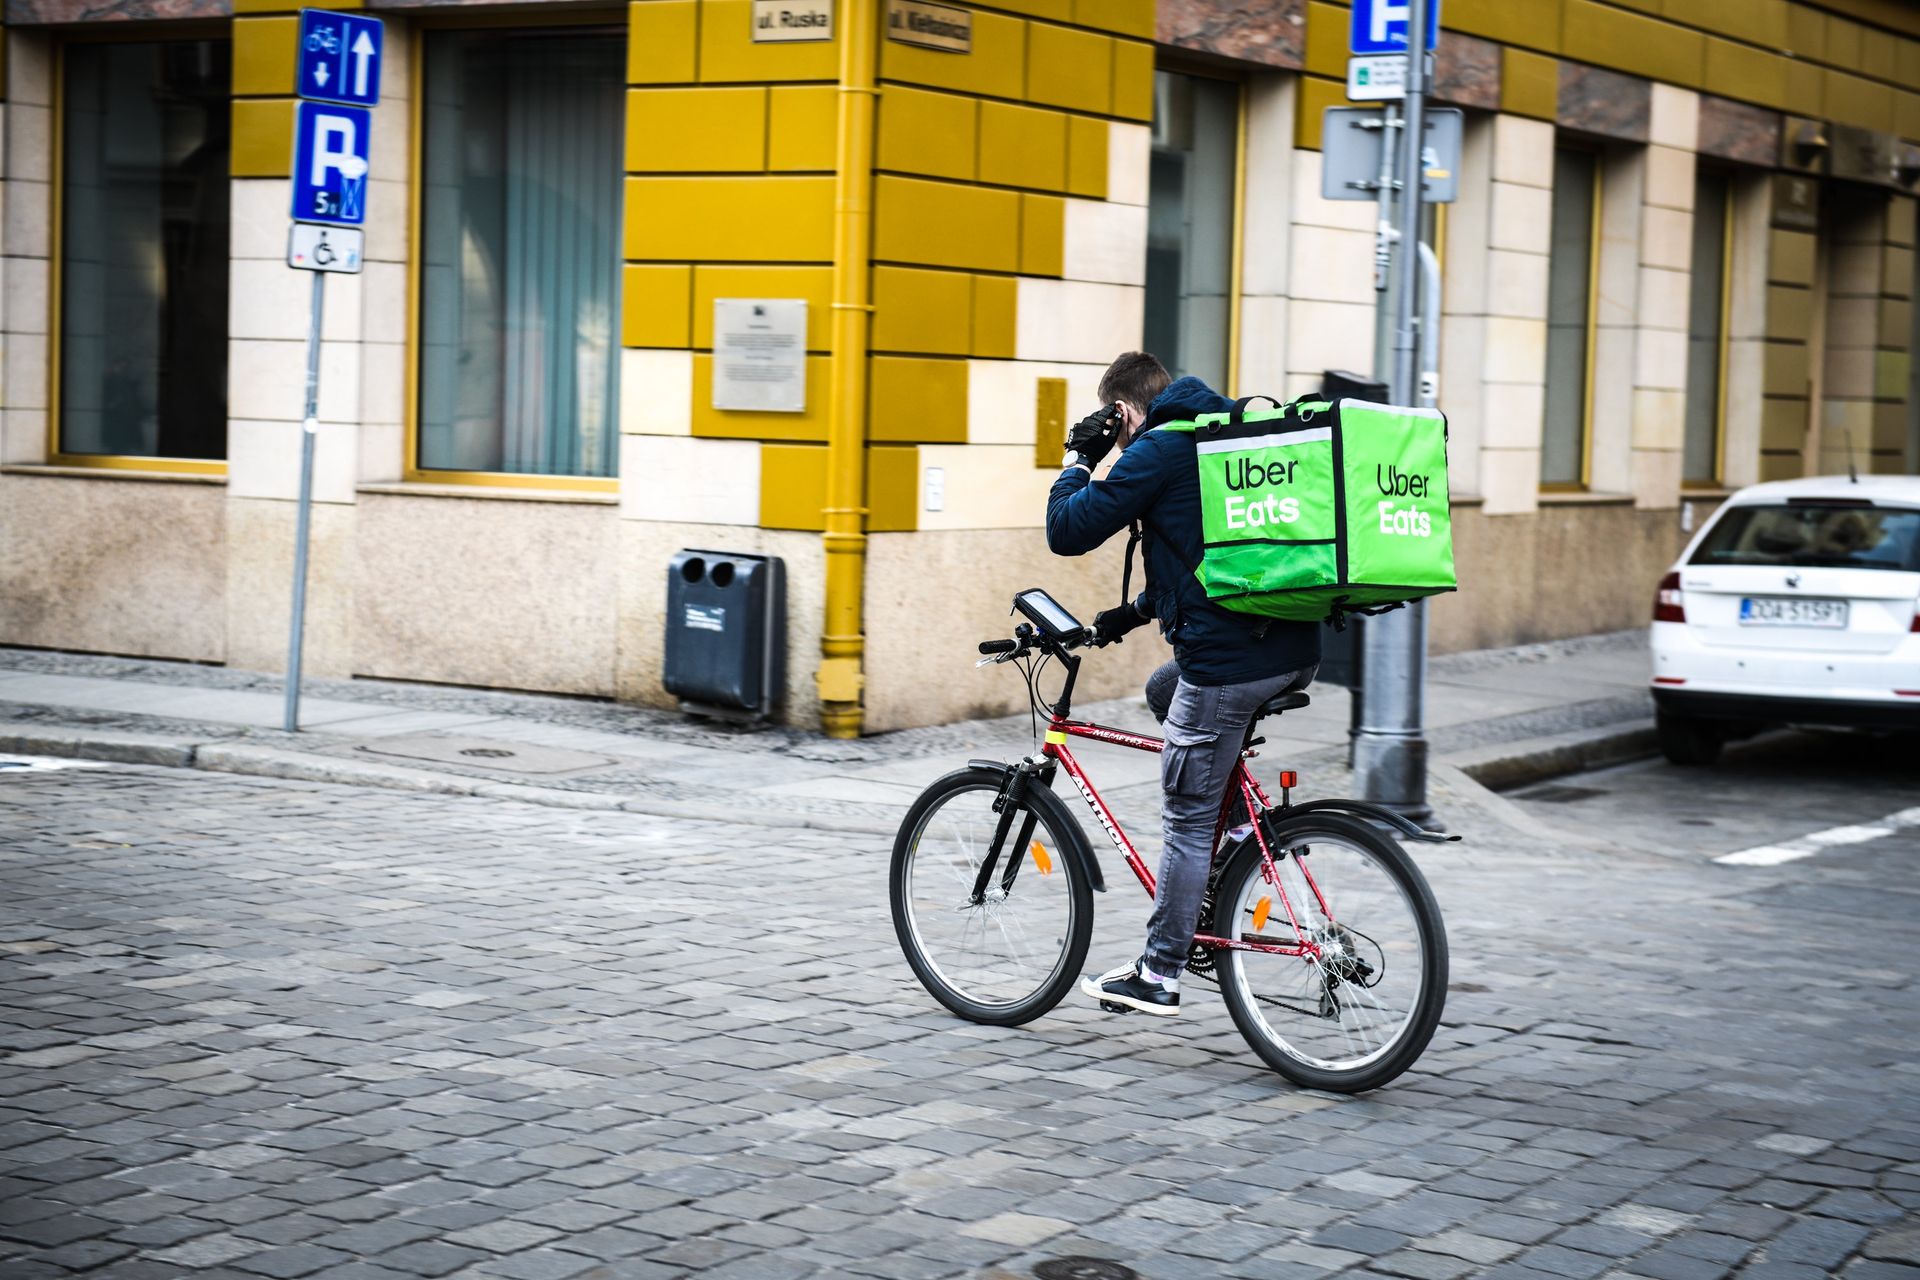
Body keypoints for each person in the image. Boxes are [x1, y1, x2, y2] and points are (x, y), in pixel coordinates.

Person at [1045, 353, 1320, 1016]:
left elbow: (1067, 530)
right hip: (1294, 647)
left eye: (1115, 425)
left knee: (1184, 818)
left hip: (1229, 663)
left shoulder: (1157, 450)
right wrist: (1130, 614)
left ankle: (1159, 972)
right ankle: (1233, 834)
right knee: (1163, 690)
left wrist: (1082, 459)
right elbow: (1204, 555)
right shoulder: (1222, 436)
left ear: (1123, 413)